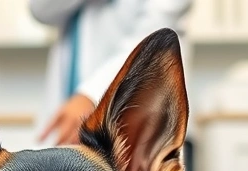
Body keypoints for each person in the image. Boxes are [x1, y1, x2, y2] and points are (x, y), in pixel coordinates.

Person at [30, 0, 192, 145]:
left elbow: (156, 37)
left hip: (134, 110)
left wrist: (92, 95)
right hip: (68, 107)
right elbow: (40, 10)